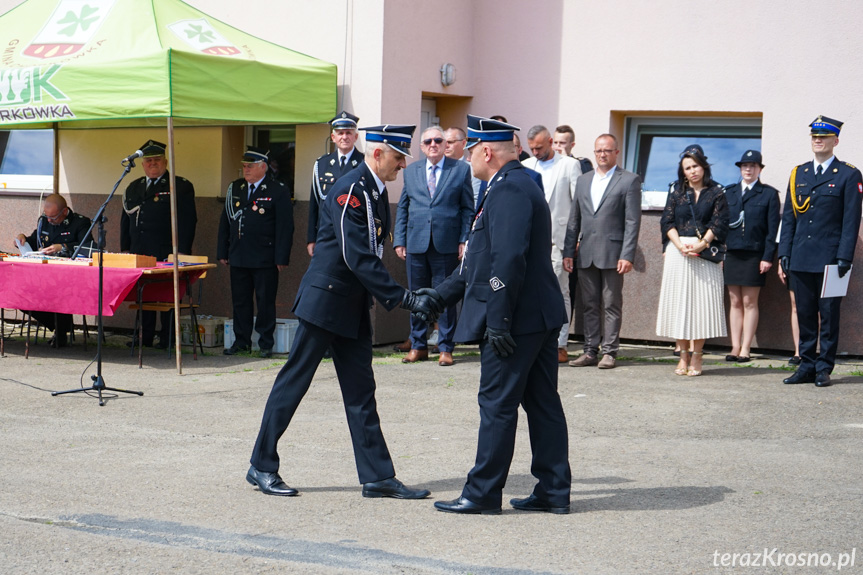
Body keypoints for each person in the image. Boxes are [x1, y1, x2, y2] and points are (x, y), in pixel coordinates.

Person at [246, 124, 437, 500]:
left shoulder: (375, 191)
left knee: (361, 390)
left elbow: (370, 252)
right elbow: (357, 255)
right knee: (294, 383)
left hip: (351, 304)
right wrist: (404, 298)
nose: (402, 166)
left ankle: (378, 475)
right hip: (326, 301)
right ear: (378, 154)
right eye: (398, 158)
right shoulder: (351, 189)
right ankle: (261, 465)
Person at [420, 114, 571, 515]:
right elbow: (477, 263)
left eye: (470, 150)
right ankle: (553, 490)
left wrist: (499, 320)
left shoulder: (509, 189)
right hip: (534, 315)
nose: (466, 157)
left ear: (486, 151)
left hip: (517, 319)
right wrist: (437, 297)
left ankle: (483, 493)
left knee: (497, 405)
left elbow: (508, 259)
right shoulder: (508, 185)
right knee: (541, 403)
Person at [779, 116, 863, 387]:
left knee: (828, 315)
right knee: (804, 313)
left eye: (824, 136)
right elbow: (790, 218)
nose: (818, 139)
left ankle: (824, 368)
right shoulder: (798, 173)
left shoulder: (849, 175)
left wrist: (844, 257)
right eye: (814, 135)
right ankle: (806, 365)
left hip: (831, 259)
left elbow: (851, 219)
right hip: (801, 257)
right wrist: (785, 252)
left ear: (835, 141)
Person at [394, 126, 474, 366]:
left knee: (445, 296)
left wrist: (463, 239)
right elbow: (404, 207)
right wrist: (399, 239)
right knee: (416, 296)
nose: (433, 144)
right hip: (415, 242)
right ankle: (418, 345)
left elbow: (467, 208)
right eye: (428, 141)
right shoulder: (412, 171)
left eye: (438, 140)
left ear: (444, 144)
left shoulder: (459, 170)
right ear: (421, 146)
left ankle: (445, 347)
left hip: (446, 243)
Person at [563, 134, 642, 369]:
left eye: (607, 150)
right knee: (588, 305)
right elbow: (573, 219)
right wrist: (569, 251)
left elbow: (632, 222)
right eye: (599, 151)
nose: (602, 154)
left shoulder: (629, 180)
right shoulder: (584, 180)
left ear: (616, 152)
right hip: (586, 253)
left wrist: (627, 255)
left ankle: (609, 352)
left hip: (613, 253)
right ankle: (589, 351)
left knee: (610, 304)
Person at [656, 145, 729, 377]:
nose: (692, 171)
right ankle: (683, 355)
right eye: (687, 168)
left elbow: (719, 223)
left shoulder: (717, 192)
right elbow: (666, 222)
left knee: (701, 306)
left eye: (695, 166)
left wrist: (701, 244)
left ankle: (697, 356)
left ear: (703, 166)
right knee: (680, 305)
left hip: (705, 253)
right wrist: (678, 245)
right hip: (679, 252)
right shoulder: (676, 191)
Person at [218, 146, 294, 358]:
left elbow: (285, 227)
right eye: (244, 166)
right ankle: (241, 341)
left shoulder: (277, 189)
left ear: (263, 167)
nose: (246, 170)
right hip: (239, 254)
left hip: (265, 257)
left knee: (265, 301)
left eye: (250, 166)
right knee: (240, 301)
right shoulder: (235, 188)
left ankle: (265, 343)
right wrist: (222, 251)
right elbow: (225, 221)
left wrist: (281, 257)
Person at [121, 139, 197, 348]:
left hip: (167, 250)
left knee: (167, 295)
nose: (152, 164)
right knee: (143, 295)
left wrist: (182, 250)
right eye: (149, 161)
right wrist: (125, 248)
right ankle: (143, 337)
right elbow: (125, 220)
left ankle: (168, 338)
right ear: (143, 164)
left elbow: (188, 220)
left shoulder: (179, 185)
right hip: (140, 250)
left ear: (165, 161)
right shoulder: (133, 187)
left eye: (157, 160)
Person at [522, 125, 582, 363]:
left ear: (549, 141)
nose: (535, 152)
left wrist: (576, 239)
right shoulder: (526, 166)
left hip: (558, 239)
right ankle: (535, 338)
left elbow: (577, 205)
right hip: (531, 240)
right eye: (531, 148)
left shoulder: (569, 165)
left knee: (560, 290)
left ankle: (560, 343)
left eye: (539, 147)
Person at [14, 193, 95, 347]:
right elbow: (34, 240)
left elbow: (89, 248)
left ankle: (61, 331)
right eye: (47, 216)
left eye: (53, 218)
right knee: (22, 296)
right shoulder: (44, 221)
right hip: (42, 274)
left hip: (68, 277)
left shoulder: (80, 222)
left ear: (64, 212)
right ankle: (59, 326)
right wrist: (22, 238)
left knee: (58, 294)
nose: (49, 221)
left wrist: (63, 247)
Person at [723, 150, 780, 363]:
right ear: (740, 169)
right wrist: (721, 254)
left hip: (755, 256)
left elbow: (772, 231)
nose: (748, 169)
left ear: (760, 169)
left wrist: (767, 257)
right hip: (732, 254)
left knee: (749, 301)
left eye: (753, 166)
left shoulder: (768, 194)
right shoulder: (728, 193)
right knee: (735, 301)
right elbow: (720, 226)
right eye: (745, 166)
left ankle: (746, 348)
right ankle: (734, 346)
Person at [307, 111, 364, 257]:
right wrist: (311, 239)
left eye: (348, 133)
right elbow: (314, 204)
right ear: (333, 137)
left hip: (355, 236)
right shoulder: (322, 164)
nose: (344, 137)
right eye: (340, 133)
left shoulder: (365, 163)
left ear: (355, 137)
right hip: (326, 235)